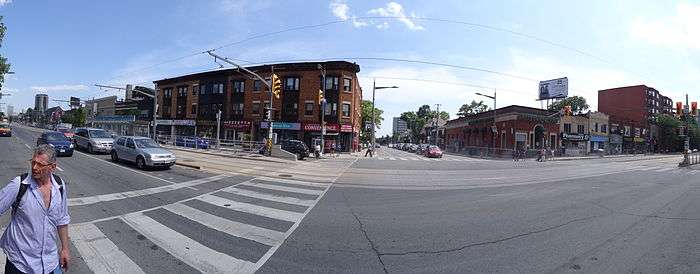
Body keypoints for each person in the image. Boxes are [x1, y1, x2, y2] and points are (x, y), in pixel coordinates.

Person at [0, 145, 71, 274]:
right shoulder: (19, 185)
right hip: (20, 263)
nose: (34, 168)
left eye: (40, 164)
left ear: (52, 167)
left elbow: (62, 220)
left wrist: (65, 249)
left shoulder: (59, 186)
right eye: (33, 162)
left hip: (50, 262)